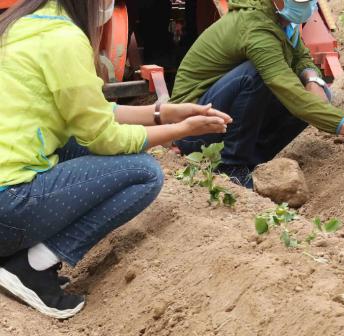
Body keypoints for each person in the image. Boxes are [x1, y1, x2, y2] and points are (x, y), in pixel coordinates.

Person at [0, 0, 231, 319]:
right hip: (8, 206)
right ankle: (31, 268)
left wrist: (161, 113)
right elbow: (104, 138)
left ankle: (21, 255)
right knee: (144, 172)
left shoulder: (23, 24)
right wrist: (180, 130)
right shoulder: (64, 39)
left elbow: (90, 111)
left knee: (73, 142)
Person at [170, 0, 344, 188]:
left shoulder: (280, 19)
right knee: (256, 77)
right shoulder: (257, 28)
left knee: (315, 94)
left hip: (214, 119)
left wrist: (313, 79)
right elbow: (289, 92)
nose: (307, 5)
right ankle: (231, 167)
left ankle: (251, 162)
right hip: (190, 128)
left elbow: (300, 56)